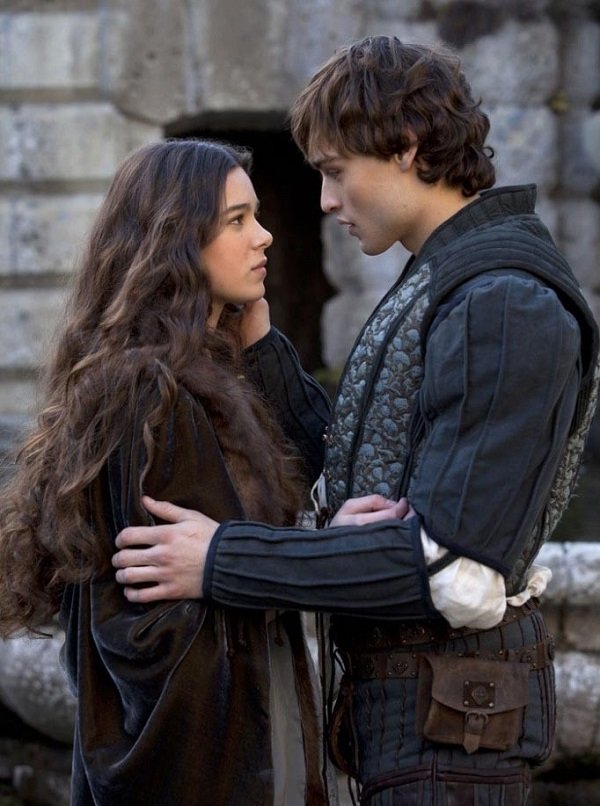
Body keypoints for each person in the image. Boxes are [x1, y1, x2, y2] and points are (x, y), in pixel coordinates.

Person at [112, 37, 600, 805]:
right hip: (415, 723)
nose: (325, 201)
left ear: (404, 147)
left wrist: (223, 560)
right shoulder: (446, 280)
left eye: (336, 171)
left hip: (452, 734)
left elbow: (453, 571)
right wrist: (264, 354)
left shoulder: (504, 303)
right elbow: (363, 472)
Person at [0, 139, 335, 804]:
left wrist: (261, 347)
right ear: (176, 240)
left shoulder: (202, 379)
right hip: (199, 762)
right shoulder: (150, 392)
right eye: (237, 220)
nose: (264, 236)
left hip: (235, 737)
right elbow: (143, 622)